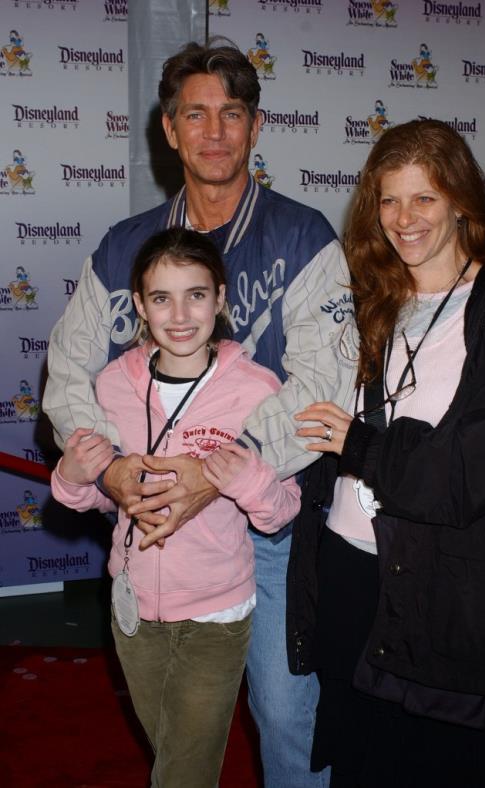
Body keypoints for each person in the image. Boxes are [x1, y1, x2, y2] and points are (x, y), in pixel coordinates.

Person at [42, 41, 355, 788]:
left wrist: (214, 475)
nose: (215, 132)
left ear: (255, 127)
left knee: (284, 715)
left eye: (232, 114)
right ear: (169, 129)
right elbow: (67, 372)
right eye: (196, 114)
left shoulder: (304, 235)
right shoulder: (125, 248)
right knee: (178, 728)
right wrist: (115, 468)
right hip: (154, 535)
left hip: (270, 523)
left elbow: (322, 389)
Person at [291, 120, 485, 787]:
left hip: (454, 596)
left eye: (425, 198)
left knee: (447, 768)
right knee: (361, 765)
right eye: (390, 199)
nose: (404, 218)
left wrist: (360, 443)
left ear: (461, 202)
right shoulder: (374, 300)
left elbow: (480, 466)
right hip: (353, 581)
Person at [51, 228, 301, 787]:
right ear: (140, 305)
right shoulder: (113, 384)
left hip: (216, 614)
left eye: (196, 294)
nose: (180, 314)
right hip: (132, 611)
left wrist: (252, 478)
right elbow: (98, 496)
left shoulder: (256, 389)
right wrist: (71, 477)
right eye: (162, 298)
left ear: (221, 299)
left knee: (185, 769)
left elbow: (282, 510)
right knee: (173, 753)